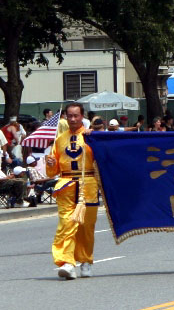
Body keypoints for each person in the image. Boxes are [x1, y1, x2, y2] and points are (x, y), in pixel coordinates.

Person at [45, 102, 99, 279]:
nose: (73, 119)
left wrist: (95, 138)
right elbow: (52, 171)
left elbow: (103, 159)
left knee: (86, 227)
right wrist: (51, 164)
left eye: (76, 115)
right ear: (66, 117)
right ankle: (67, 262)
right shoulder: (60, 139)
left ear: (82, 116)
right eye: (70, 116)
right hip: (66, 185)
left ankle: (85, 261)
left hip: (88, 185)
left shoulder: (91, 137)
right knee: (66, 224)